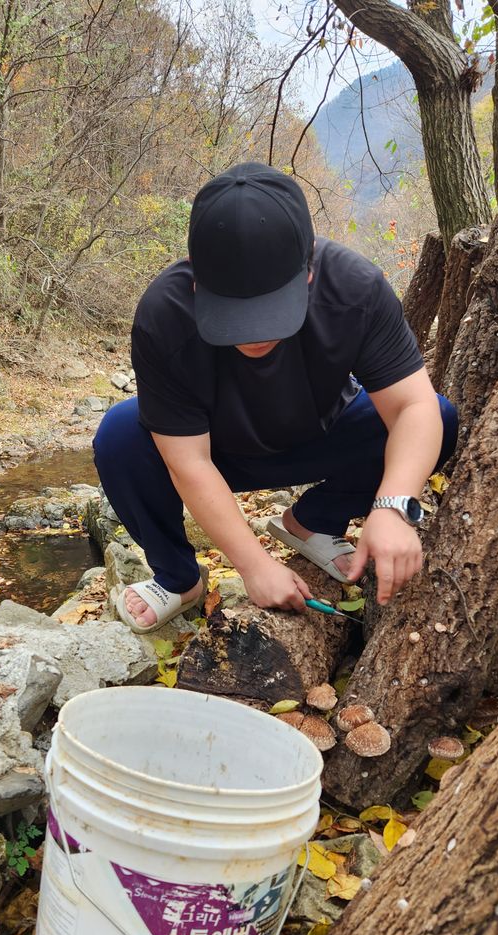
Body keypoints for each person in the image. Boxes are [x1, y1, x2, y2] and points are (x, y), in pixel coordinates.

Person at [93, 162, 457, 634]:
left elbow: (413, 405)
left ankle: (311, 523)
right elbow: (189, 462)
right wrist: (254, 565)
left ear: (308, 270)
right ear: (199, 282)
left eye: (269, 310)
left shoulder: (354, 287)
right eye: (233, 314)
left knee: (439, 416)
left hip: (322, 433)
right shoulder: (164, 314)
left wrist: (393, 506)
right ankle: (179, 579)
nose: (253, 335)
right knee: (120, 434)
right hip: (217, 455)